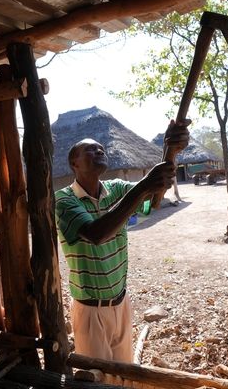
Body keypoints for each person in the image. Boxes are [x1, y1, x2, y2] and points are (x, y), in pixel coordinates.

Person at [55, 119, 190, 362]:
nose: (99, 151)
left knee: (123, 370)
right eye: (90, 149)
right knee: (95, 378)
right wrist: (141, 188)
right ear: (74, 163)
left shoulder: (116, 188)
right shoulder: (64, 201)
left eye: (102, 149)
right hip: (90, 309)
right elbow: (96, 233)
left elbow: (154, 199)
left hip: (121, 301)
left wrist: (171, 150)